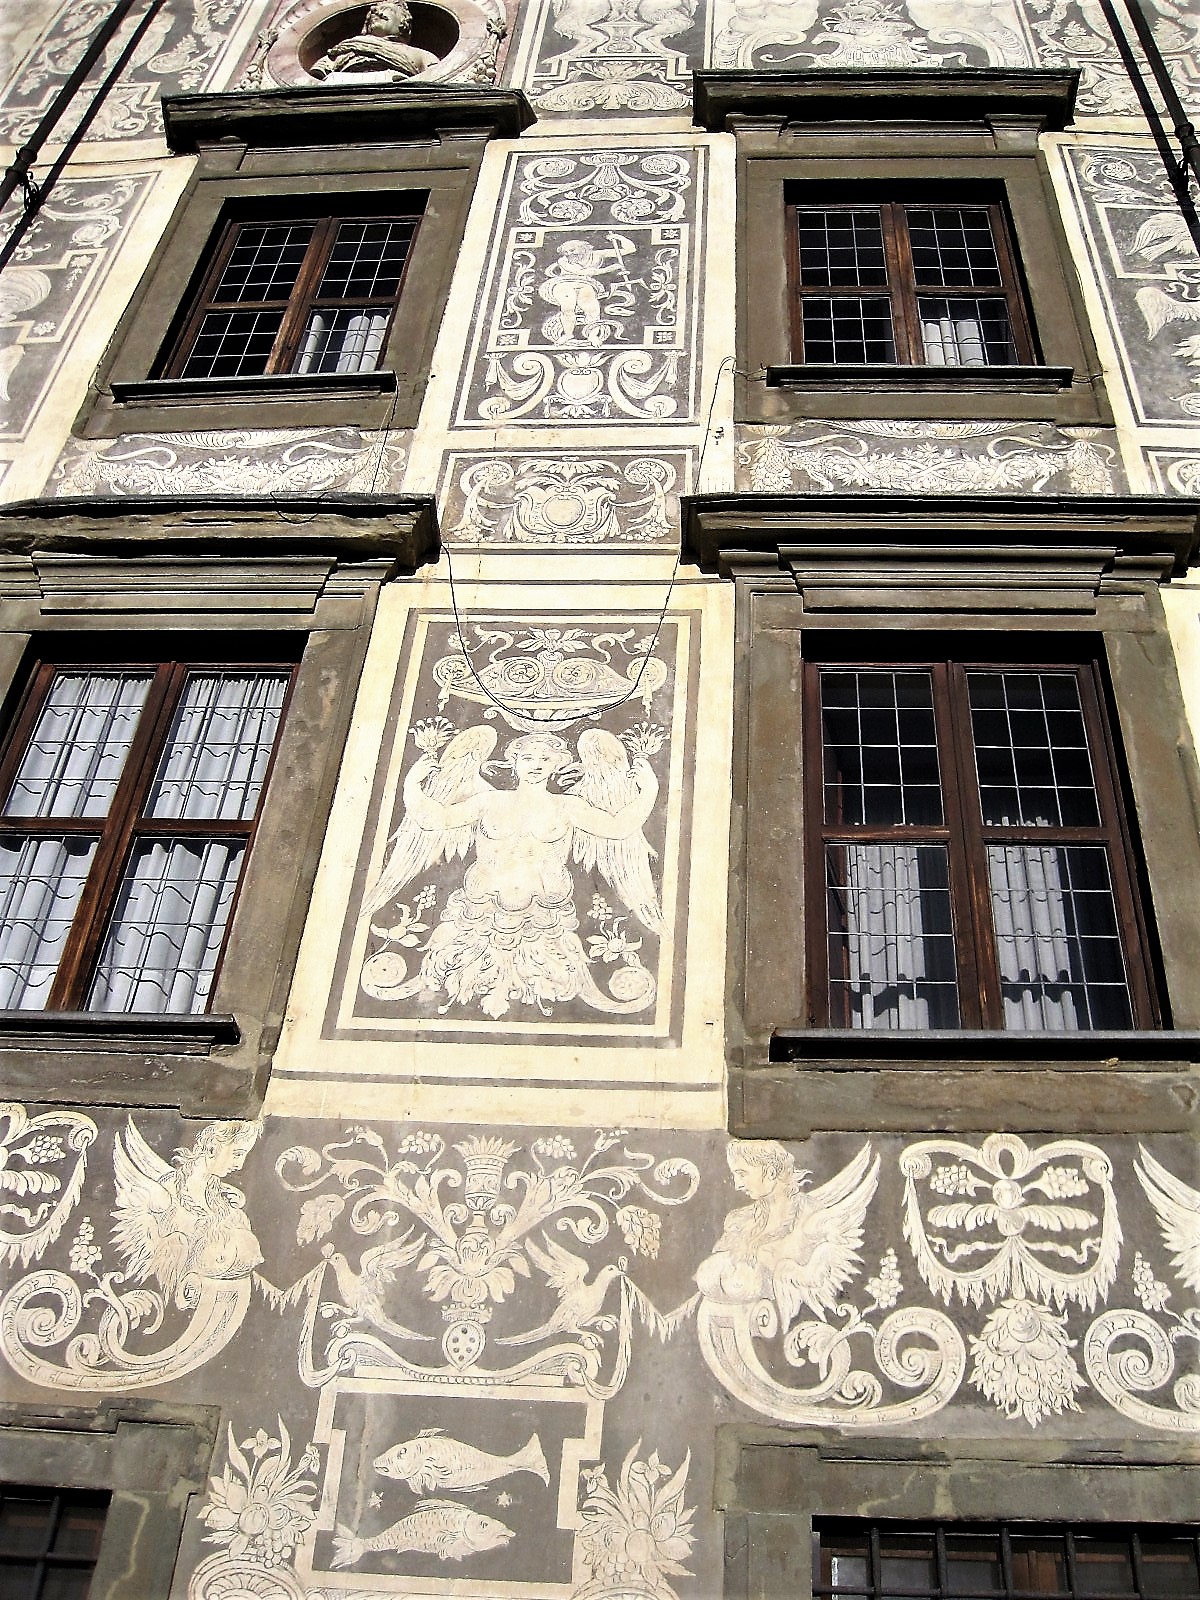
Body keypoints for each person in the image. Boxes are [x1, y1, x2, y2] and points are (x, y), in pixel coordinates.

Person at [362, 726, 661, 1017]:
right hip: (480, 915)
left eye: (545, 759)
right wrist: (411, 784)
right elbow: (435, 819)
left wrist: (650, 789)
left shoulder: (568, 806)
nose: (536, 765)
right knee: (450, 975)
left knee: (555, 979)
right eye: (528, 758)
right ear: (514, 762)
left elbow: (618, 828)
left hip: (543, 920)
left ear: (557, 765)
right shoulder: (489, 800)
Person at [311, 1, 439, 81]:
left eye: (388, 9)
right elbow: (316, 75)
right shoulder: (344, 48)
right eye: (373, 12)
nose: (375, 12)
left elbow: (435, 78)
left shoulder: (421, 55)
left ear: (403, 22)